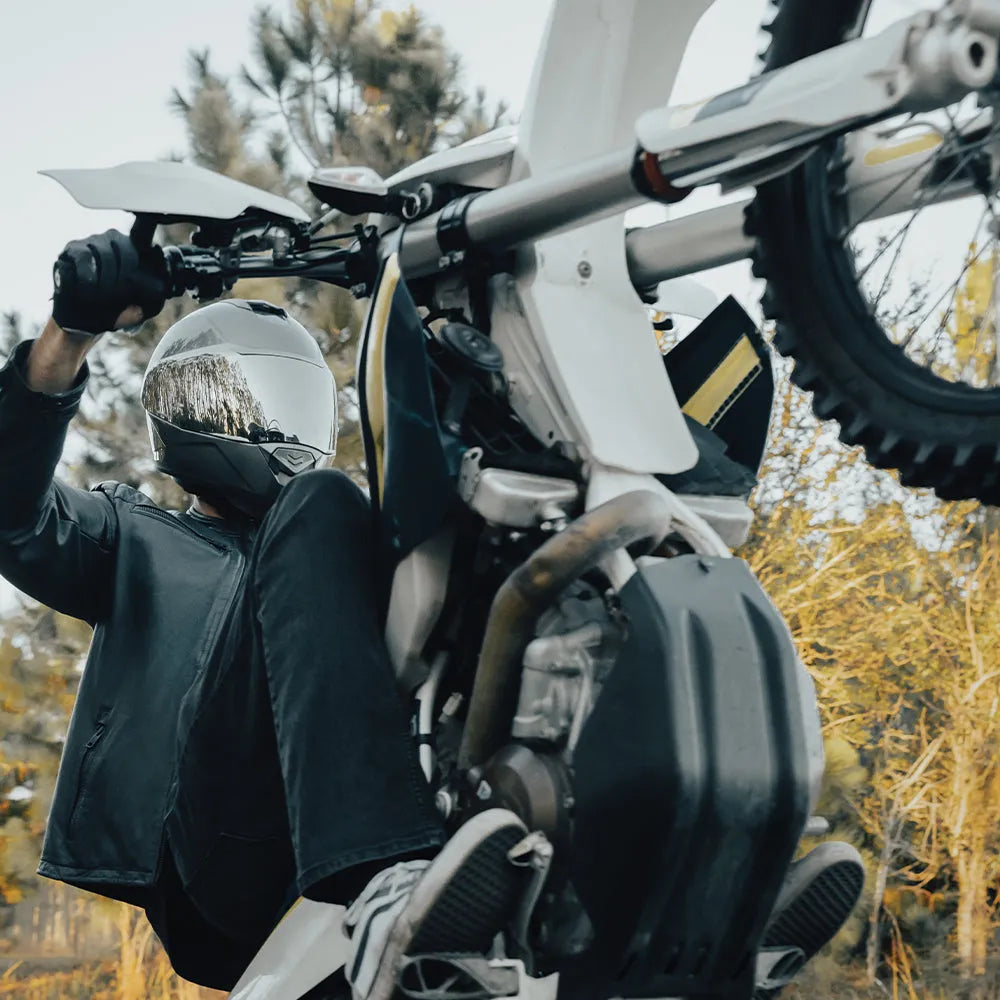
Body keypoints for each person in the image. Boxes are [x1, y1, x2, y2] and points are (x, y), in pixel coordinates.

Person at [0, 230, 863, 997]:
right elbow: (14, 515)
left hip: (410, 824)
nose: (274, 426)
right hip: (227, 865)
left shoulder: (335, 563)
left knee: (517, 556)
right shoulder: (136, 539)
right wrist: (70, 333)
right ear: (186, 408)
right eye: (244, 399)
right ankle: (381, 879)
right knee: (324, 504)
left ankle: (693, 884)